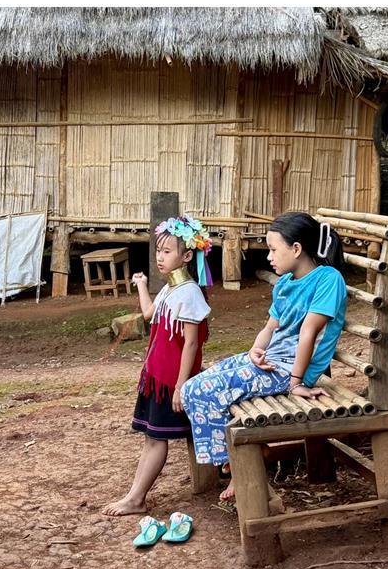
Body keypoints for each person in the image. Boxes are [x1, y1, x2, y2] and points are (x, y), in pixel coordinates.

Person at [181, 211, 347, 502]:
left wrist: (296, 382)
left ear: (296, 249)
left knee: (201, 390)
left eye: (273, 249)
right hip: (269, 362)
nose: (269, 256)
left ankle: (237, 467)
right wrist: (256, 352)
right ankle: (249, 456)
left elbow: (308, 333)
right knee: (192, 387)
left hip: (288, 372)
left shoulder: (327, 280)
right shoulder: (284, 285)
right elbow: (270, 328)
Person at [102, 216, 212, 516]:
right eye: (158, 251)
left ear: (187, 256)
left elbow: (192, 344)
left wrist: (180, 386)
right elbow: (150, 314)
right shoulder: (171, 288)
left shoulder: (189, 293)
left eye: (167, 251)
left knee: (156, 438)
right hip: (156, 377)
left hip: (169, 382)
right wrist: (142, 285)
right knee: (152, 437)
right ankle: (135, 495)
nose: (160, 257)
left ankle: (136, 498)